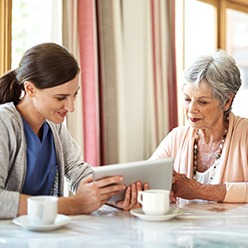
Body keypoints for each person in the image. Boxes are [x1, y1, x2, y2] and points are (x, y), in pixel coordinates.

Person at [0, 42, 147, 219]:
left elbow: (78, 172)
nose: (70, 107)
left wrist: (113, 196)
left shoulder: (53, 125)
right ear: (30, 89)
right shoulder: (4, 123)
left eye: (74, 94)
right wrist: (74, 204)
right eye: (60, 97)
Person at [150, 50, 248, 203]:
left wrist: (199, 190)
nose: (191, 109)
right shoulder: (177, 137)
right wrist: (158, 190)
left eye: (203, 102)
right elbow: (148, 177)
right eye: (187, 99)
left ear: (227, 101)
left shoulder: (245, 134)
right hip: (185, 227)